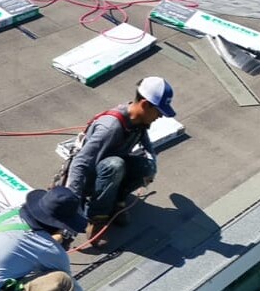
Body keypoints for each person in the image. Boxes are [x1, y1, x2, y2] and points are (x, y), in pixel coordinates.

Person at [65, 76, 176, 244]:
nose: (159, 116)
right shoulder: (110, 127)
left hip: (111, 171)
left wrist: (152, 162)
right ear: (145, 104)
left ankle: (116, 200)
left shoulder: (138, 119)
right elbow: (80, 163)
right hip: (92, 178)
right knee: (115, 165)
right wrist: (70, 202)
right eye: (159, 112)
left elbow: (145, 141)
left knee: (147, 167)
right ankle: (97, 218)